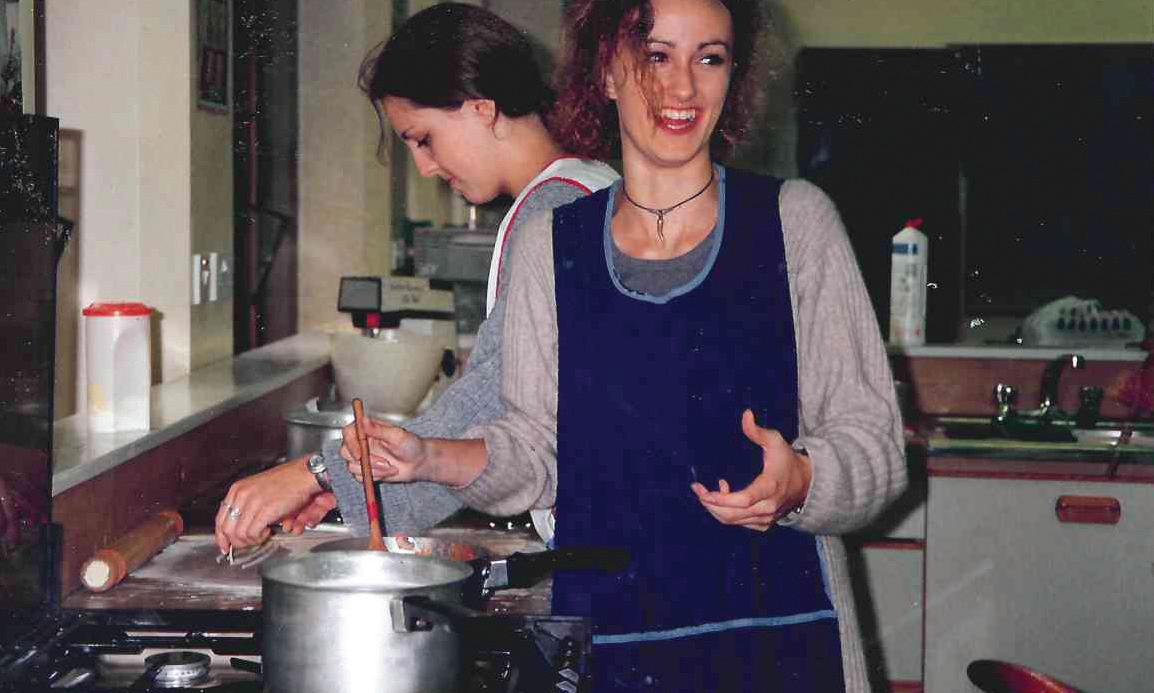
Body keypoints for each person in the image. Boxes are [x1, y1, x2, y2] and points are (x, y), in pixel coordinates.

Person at [344, 0, 907, 690]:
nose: (683, 87)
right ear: (606, 70)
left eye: (710, 58)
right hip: (616, 649)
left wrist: (804, 482)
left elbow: (876, 447)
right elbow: (534, 453)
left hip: (779, 647)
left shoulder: (796, 224)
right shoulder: (552, 246)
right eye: (656, 55)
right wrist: (430, 457)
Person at [213, 2, 617, 554]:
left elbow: (492, 401)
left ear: (481, 109)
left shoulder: (557, 210)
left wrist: (318, 474)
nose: (425, 168)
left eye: (423, 138)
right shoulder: (588, 184)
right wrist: (349, 491)